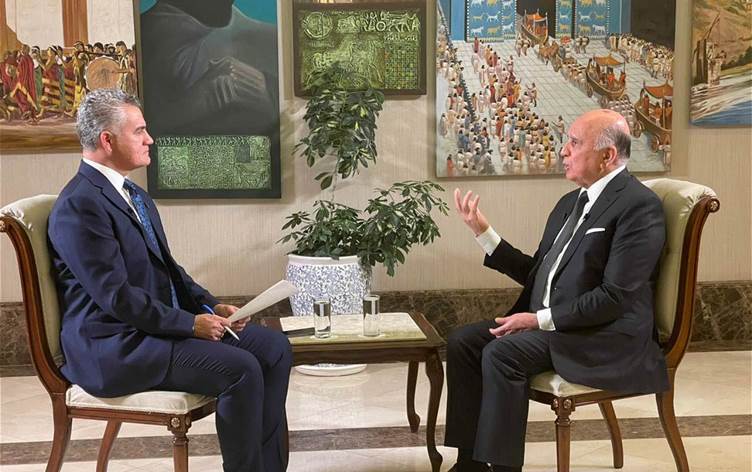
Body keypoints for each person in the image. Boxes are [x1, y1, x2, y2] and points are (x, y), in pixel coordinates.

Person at [47, 89, 292, 472]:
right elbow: (117, 297)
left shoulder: (134, 195)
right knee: (240, 368)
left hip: (152, 331)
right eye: (139, 131)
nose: (150, 139)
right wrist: (191, 324)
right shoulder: (79, 205)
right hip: (115, 346)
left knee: (274, 348)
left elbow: (169, 270)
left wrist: (211, 305)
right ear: (107, 140)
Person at [444, 109, 667, 472]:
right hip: (556, 326)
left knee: (502, 354)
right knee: (463, 342)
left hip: (601, 335)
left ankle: (502, 469)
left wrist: (537, 320)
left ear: (607, 155)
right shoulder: (571, 203)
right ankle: (469, 464)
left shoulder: (639, 207)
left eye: (574, 143)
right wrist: (484, 234)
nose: (564, 150)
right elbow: (539, 274)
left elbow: (615, 297)